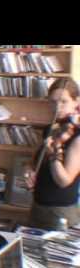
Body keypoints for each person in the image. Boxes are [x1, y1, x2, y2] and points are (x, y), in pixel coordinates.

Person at [25, 78, 80, 229]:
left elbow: (64, 181)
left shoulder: (77, 135)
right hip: (38, 206)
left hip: (61, 211)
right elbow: (34, 160)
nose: (57, 107)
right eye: (53, 102)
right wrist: (29, 171)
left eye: (63, 101)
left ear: (76, 101)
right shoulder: (51, 129)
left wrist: (54, 154)